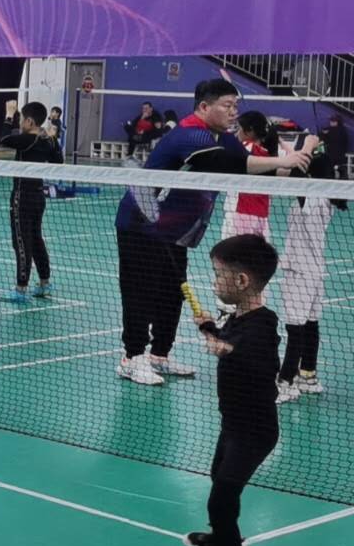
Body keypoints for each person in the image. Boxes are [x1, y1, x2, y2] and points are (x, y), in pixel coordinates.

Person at [114, 79, 311, 386]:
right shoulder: (190, 135)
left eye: (236, 106)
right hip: (141, 223)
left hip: (172, 229)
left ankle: (159, 355)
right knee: (140, 291)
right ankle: (132, 358)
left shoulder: (224, 137)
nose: (234, 112)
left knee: (172, 292)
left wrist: (295, 164)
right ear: (204, 107)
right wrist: (284, 159)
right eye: (227, 105)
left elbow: (250, 165)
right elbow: (230, 162)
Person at [183, 233, 283, 546]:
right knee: (219, 480)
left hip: (255, 431)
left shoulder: (264, 324)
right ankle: (227, 540)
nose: (214, 281)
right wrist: (210, 328)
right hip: (233, 424)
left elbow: (261, 359)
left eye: (218, 274)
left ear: (241, 281)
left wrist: (227, 349)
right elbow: (229, 339)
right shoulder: (238, 319)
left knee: (221, 500)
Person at [278, 155, 342, 404]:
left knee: (295, 329)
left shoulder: (311, 197)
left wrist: (304, 149)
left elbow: (295, 176)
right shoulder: (326, 196)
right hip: (315, 271)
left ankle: (285, 382)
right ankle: (308, 376)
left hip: (300, 272)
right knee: (311, 325)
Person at [0, 100, 62, 302]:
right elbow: (58, 161)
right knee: (36, 240)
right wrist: (54, 139)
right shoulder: (46, 141)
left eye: (21, 120)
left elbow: (4, 139)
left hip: (22, 197)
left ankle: (21, 289)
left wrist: (9, 114)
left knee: (21, 242)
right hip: (38, 197)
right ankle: (44, 283)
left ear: (29, 122)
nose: (19, 123)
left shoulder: (27, 140)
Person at [220, 111, 276, 240]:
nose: (237, 133)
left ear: (249, 131)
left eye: (239, 128)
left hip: (240, 213)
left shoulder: (243, 148)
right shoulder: (268, 155)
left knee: (231, 252)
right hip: (262, 215)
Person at [321, 114, 349, 180]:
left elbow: (344, 141)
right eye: (331, 121)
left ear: (338, 122)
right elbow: (323, 140)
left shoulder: (342, 130)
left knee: (341, 169)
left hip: (339, 153)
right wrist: (324, 134)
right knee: (329, 171)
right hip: (329, 153)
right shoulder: (327, 130)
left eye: (334, 121)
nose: (332, 122)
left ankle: (340, 172)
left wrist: (327, 133)